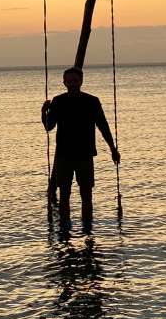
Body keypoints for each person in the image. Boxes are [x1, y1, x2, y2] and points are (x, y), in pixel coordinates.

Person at [41, 67, 120, 231]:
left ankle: (87, 229)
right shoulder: (58, 101)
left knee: (86, 195)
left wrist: (113, 149)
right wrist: (44, 112)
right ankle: (65, 230)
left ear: (81, 81)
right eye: (69, 81)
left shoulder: (92, 101)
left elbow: (103, 126)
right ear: (64, 82)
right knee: (64, 194)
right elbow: (49, 127)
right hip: (64, 155)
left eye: (75, 81)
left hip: (85, 154)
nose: (72, 84)